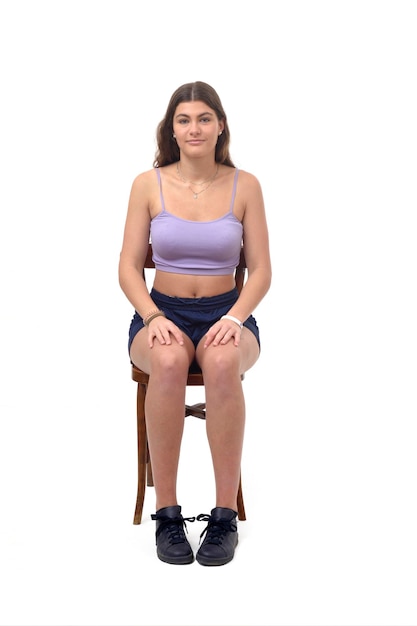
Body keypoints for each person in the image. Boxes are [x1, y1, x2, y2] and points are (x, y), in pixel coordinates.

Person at [118, 81, 271, 566]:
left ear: (220, 125)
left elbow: (262, 269)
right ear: (172, 130)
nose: (194, 128)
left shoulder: (245, 184)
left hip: (227, 312)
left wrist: (236, 316)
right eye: (184, 120)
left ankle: (224, 516)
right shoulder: (149, 183)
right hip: (162, 311)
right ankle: (167, 514)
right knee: (166, 360)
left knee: (224, 362)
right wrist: (152, 314)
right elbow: (127, 265)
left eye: (204, 118)